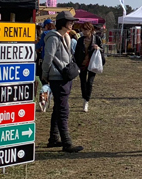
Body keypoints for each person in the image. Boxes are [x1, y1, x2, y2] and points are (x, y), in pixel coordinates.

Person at [42, 11, 83, 153]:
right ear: (62, 23)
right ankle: (66, 142)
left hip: (64, 77)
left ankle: (54, 138)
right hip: (57, 77)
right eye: (69, 21)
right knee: (63, 109)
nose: (72, 23)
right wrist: (45, 74)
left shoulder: (66, 37)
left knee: (58, 108)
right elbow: (48, 58)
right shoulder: (53, 38)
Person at [74, 22, 104, 113]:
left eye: (86, 30)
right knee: (83, 82)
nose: (84, 32)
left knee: (90, 82)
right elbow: (77, 52)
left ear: (91, 30)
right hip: (82, 64)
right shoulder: (80, 40)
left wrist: (98, 48)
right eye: (82, 30)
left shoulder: (96, 39)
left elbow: (102, 49)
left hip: (92, 63)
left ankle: (87, 100)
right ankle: (84, 98)